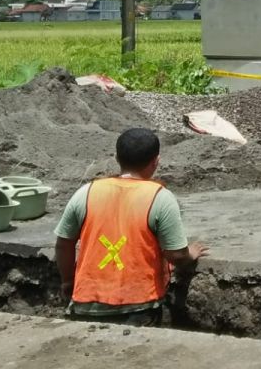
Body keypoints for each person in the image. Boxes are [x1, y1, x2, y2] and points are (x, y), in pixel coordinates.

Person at [54, 128, 208, 325]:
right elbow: (176, 255)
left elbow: (63, 244)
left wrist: (67, 281)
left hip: (87, 302)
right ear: (156, 161)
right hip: (139, 306)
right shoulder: (160, 198)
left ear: (117, 158)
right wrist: (190, 254)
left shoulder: (86, 192)